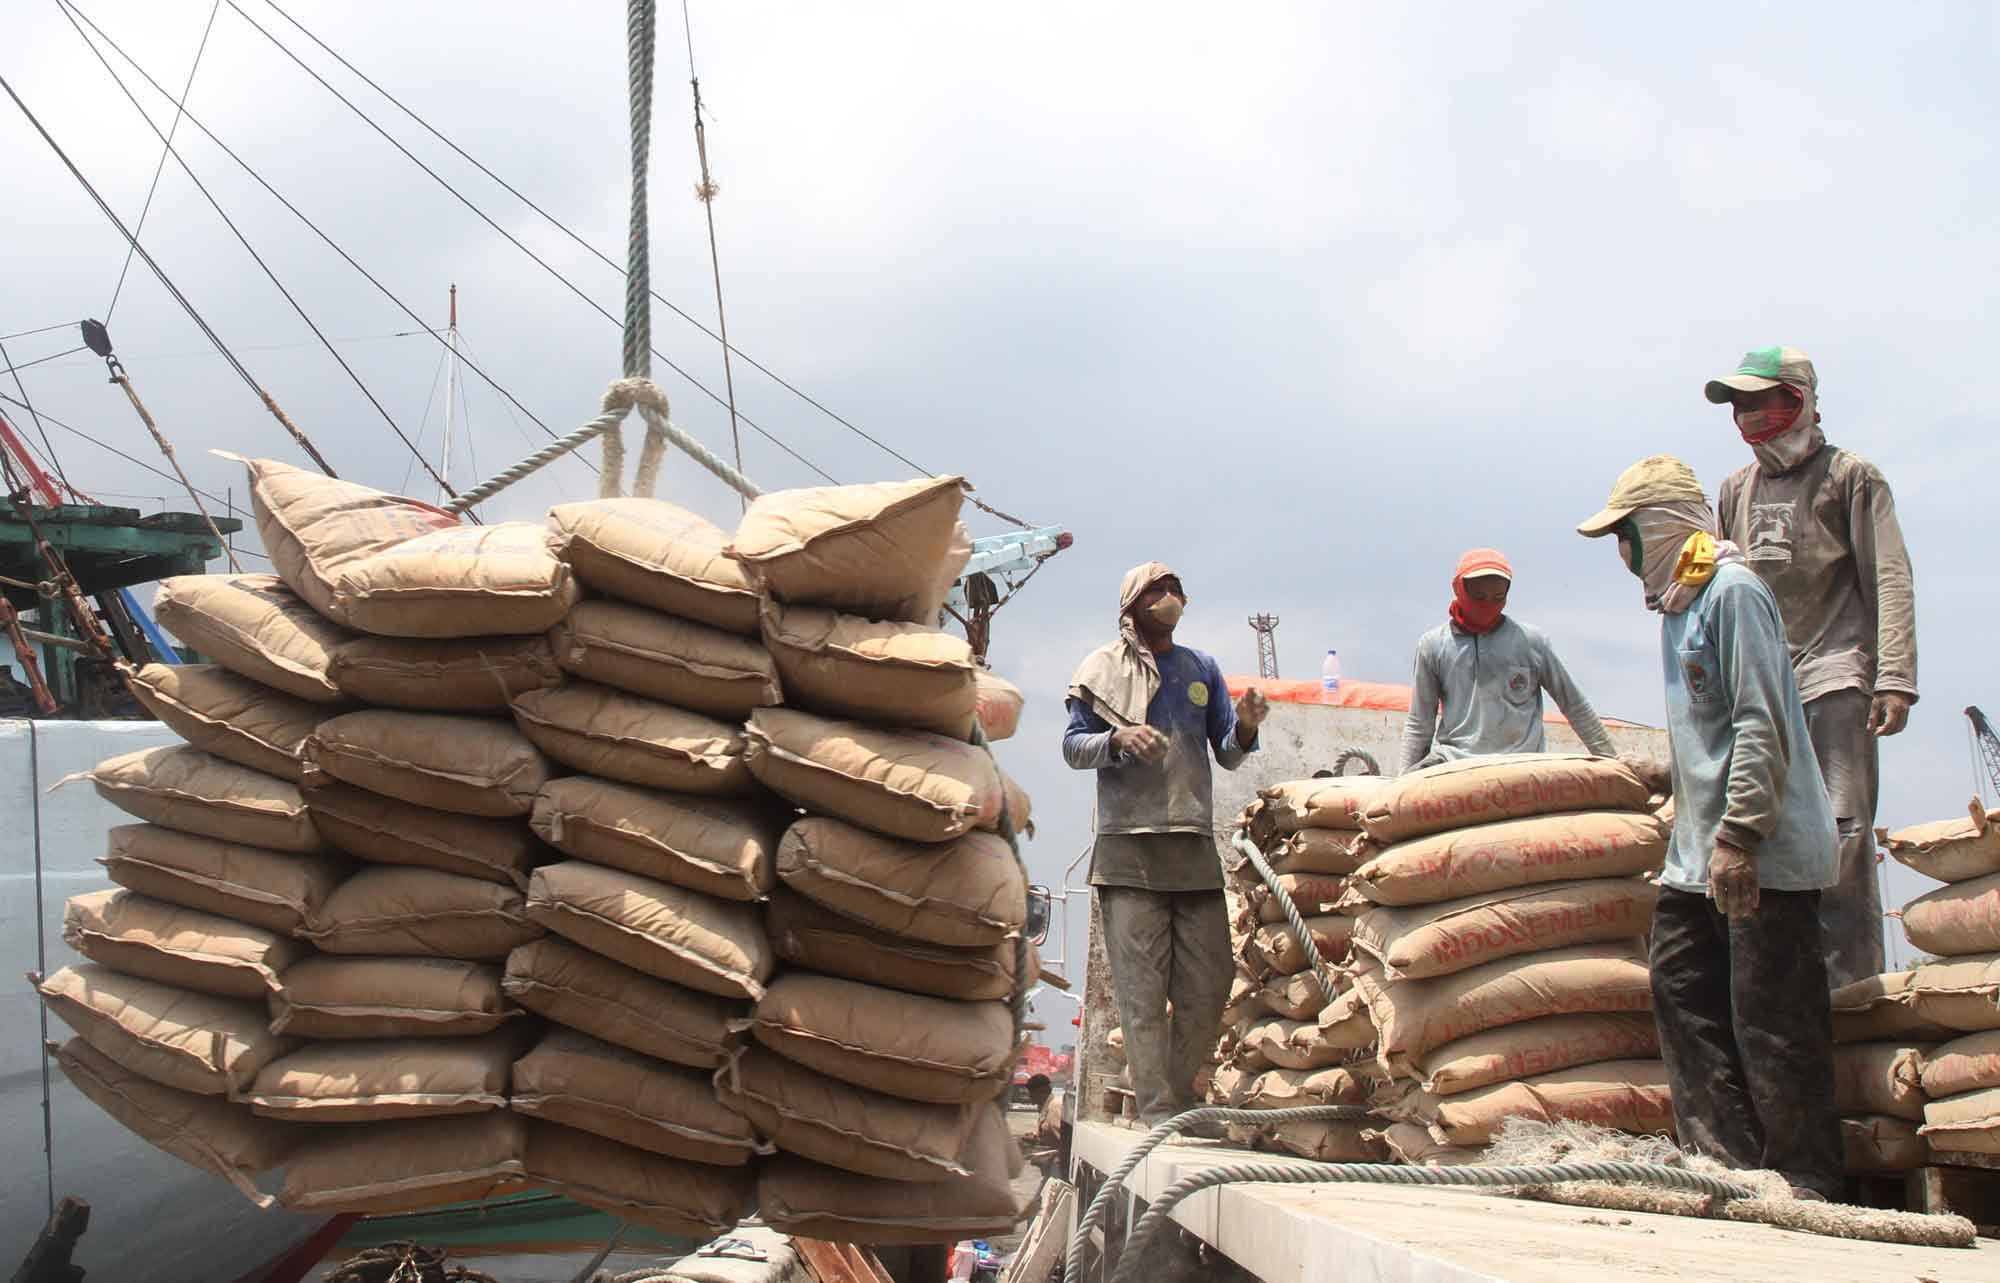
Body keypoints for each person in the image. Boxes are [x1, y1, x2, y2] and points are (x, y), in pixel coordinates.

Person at [1577, 454, 1843, 1200]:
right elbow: (1712, 730)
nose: (1623, 555)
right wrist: (1669, 778)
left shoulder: (1733, 593)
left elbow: (1762, 722)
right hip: (1699, 855)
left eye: (1624, 536)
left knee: (1771, 1017)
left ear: (1657, 526)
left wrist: (1740, 836)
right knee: (1682, 988)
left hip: (1761, 853)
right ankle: (1727, 1164)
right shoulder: (1681, 604)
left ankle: (1805, 1177)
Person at [1707, 346, 1918, 988]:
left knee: (1842, 832)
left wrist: (1895, 676)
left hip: (1835, 673)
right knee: (1754, 831)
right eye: (1738, 403)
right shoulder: (1734, 490)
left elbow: (1889, 575)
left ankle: (1849, 987)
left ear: (1797, 398)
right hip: (1760, 687)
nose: (1747, 414)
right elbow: (1722, 587)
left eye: (1759, 399)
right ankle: (1781, 989)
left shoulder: (1851, 477)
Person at [1064, 562, 1267, 1128]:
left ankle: (1169, 1094)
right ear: (1132, 605)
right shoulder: (1101, 669)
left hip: (1191, 844)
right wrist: (1118, 737)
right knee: (1142, 995)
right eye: (1158, 590)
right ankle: (1159, 1112)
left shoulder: (1200, 669)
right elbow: (1074, 747)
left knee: (1210, 984)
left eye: (1176, 589)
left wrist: (1246, 728)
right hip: (1128, 849)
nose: (1170, 597)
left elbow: (1226, 751)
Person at [1397, 547, 1619, 774]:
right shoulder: (1433, 645)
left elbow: (1574, 705)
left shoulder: (1531, 642)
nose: (1487, 604)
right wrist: (1400, 783)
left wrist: (1614, 764)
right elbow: (1419, 723)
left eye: (1497, 597)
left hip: (1521, 763)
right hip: (1454, 763)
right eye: (1478, 596)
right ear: (1458, 589)